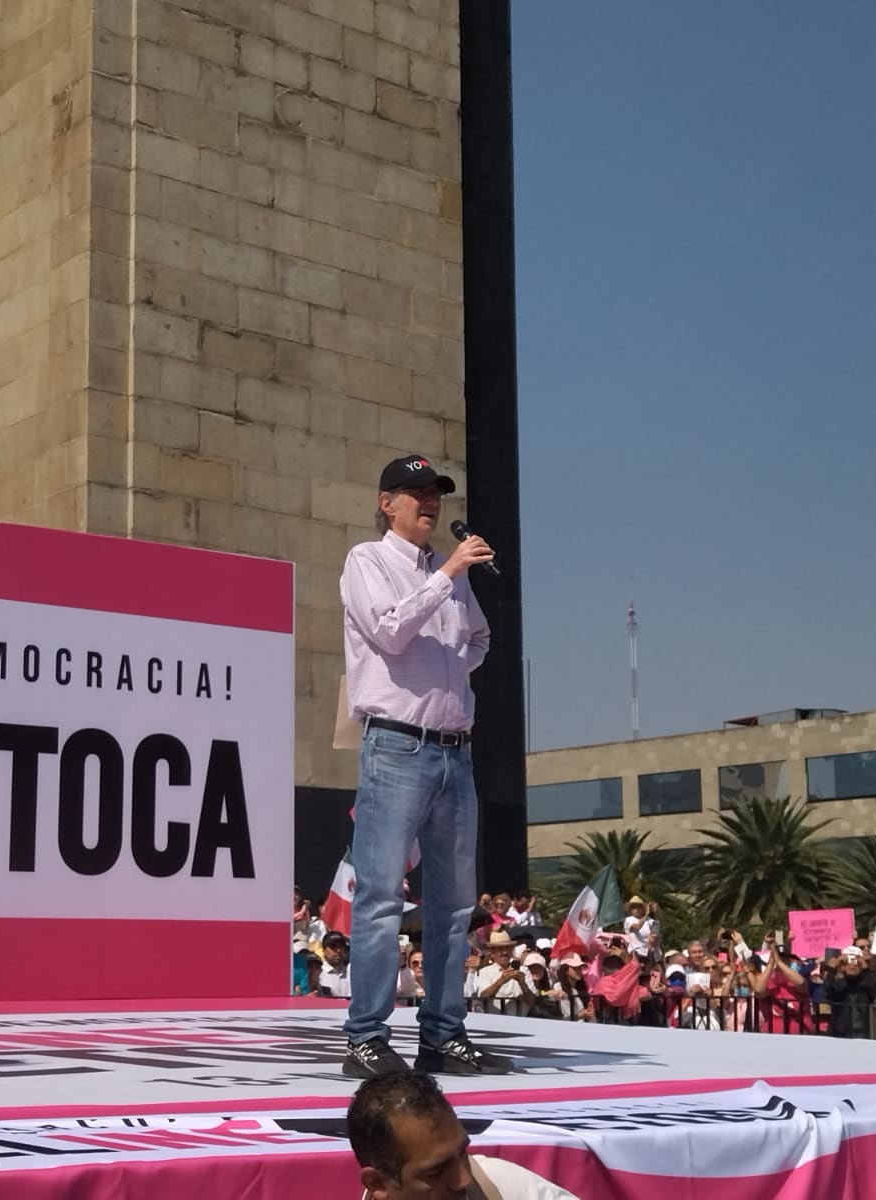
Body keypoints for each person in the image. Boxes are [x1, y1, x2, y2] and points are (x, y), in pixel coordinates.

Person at [338, 454, 511, 1079]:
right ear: (387, 502)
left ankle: (443, 1034)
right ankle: (365, 1035)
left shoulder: (450, 568)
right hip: (396, 746)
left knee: (454, 904)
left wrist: (446, 670)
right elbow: (387, 632)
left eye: (435, 494)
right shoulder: (367, 560)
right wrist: (447, 578)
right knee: (382, 897)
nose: (429, 503)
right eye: (415, 494)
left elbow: (482, 638)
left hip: (455, 750)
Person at [348, 1070, 578, 1199]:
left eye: (463, 1153)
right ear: (378, 1182)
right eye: (436, 1171)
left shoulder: (508, 1189)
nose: (464, 1180)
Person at [321, 932, 354, 998]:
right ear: (324, 950)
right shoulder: (319, 974)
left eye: (341, 946)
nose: (338, 950)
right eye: (333, 947)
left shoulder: (352, 971)